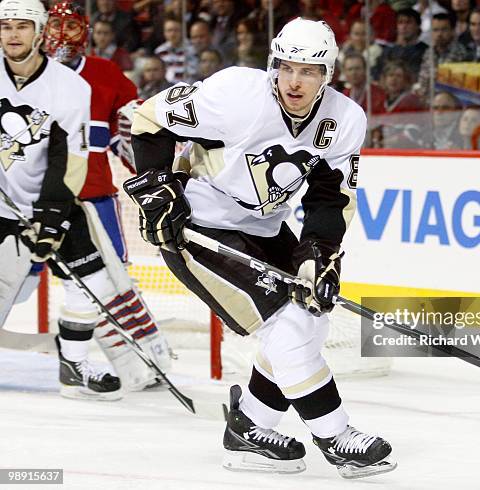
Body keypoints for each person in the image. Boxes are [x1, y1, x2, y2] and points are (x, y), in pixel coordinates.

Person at [124, 18, 396, 479]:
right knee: (284, 323)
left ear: (328, 74)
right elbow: (149, 118)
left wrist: (317, 255)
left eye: (309, 71)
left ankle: (250, 427)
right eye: (287, 67)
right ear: (273, 65)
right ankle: (336, 434)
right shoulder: (236, 95)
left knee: (311, 316)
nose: (295, 81)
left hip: (266, 226)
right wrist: (157, 187)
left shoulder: (344, 119)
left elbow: (329, 197)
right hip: (200, 226)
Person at [43, 1, 173, 391]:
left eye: (71, 27)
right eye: (55, 26)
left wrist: (157, 173)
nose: (62, 37)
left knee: (111, 280)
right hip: (37, 204)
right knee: (17, 284)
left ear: (85, 31)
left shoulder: (105, 74)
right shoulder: (24, 78)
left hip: (95, 199)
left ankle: (140, 358)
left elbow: (127, 138)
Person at [0, 0, 122, 399]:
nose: (12, 35)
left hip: (48, 197)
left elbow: (69, 156)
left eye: (21, 26)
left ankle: (74, 363)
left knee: (93, 279)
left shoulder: (71, 87)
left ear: (39, 32)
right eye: (5, 27)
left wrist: (51, 217)